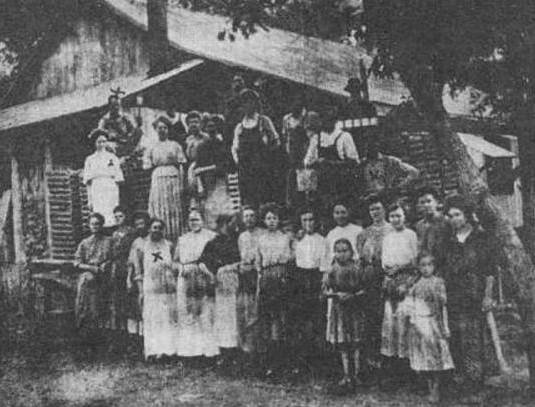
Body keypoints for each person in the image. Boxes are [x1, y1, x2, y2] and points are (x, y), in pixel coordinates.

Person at [443, 195, 498, 401]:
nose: (453, 219)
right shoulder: (448, 240)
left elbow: (490, 270)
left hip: (474, 294)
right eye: (449, 216)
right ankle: (463, 380)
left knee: (474, 339)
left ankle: (477, 383)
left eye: (457, 214)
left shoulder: (480, 237)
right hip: (453, 295)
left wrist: (488, 296)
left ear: (466, 215)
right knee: (456, 337)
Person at [356, 194, 394, 379]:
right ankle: (372, 365)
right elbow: (361, 260)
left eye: (378, 208)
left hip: (387, 277)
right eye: (372, 209)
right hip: (369, 279)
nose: (375, 212)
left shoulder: (392, 229)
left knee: (387, 320)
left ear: (384, 209)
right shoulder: (364, 233)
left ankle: (390, 367)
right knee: (370, 321)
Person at [380, 203, 418, 387]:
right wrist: (389, 276)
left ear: (405, 216)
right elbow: (384, 262)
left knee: (406, 324)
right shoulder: (387, 237)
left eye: (399, 216)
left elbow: (416, 261)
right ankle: (395, 372)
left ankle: (411, 372)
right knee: (391, 324)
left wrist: (402, 274)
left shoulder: (411, 235)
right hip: (391, 281)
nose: (395, 219)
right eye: (392, 216)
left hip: (407, 281)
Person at [408, 253, 454, 404]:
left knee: (437, 356)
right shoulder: (416, 284)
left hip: (435, 323)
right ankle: (430, 387)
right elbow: (412, 305)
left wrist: (445, 326)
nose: (426, 269)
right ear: (418, 267)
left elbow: (443, 305)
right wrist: (414, 322)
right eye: (423, 265)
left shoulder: (439, 282)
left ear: (434, 266)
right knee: (425, 357)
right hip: (422, 323)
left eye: (429, 265)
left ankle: (437, 387)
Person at [174, 210, 219, 359]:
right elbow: (175, 260)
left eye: (197, 219)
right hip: (186, 275)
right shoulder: (183, 239)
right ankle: (190, 351)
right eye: (191, 220)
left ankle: (208, 352)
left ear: (203, 220)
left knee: (205, 312)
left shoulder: (211, 236)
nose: (194, 223)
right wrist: (180, 268)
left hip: (203, 274)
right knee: (187, 312)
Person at [323, 238, 366, 392]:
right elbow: (325, 290)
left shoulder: (357, 268)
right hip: (339, 310)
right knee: (343, 343)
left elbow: (364, 288)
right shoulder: (331, 270)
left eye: (345, 251)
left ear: (351, 252)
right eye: (339, 251)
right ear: (334, 253)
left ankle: (357, 374)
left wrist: (353, 295)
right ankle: (346, 374)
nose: (342, 254)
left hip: (354, 309)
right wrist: (336, 294)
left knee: (355, 342)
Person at [255, 203, 293, 376]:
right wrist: (260, 278)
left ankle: (284, 361)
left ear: (279, 220)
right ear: (264, 220)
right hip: (267, 278)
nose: (271, 221)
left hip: (281, 277)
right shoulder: (261, 239)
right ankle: (270, 362)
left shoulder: (285, 237)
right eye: (268, 218)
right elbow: (258, 261)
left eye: (274, 218)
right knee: (268, 319)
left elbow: (291, 257)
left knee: (282, 319)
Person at [132, 218, 178, 360]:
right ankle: (152, 351)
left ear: (163, 230)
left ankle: (167, 351)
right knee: (152, 318)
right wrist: (141, 291)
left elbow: (174, 265)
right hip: (150, 287)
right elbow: (138, 270)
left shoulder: (169, 245)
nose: (156, 230)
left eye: (159, 228)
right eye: (154, 227)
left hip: (167, 288)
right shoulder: (141, 246)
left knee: (166, 318)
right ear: (149, 229)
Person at [199, 214, 241, 366]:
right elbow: (202, 263)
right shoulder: (213, 243)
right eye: (231, 223)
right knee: (223, 317)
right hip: (221, 283)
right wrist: (211, 276)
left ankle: (236, 351)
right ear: (224, 224)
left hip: (236, 280)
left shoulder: (237, 239)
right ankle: (224, 352)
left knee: (236, 316)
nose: (234, 226)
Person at [232, 89, 283, 208]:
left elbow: (276, 141)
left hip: (263, 168)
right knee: (249, 200)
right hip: (246, 170)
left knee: (265, 199)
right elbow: (235, 147)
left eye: (250, 101)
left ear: (255, 103)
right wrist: (239, 162)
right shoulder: (239, 126)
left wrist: (268, 157)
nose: (247, 105)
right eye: (244, 102)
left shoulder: (264, 121)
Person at [303, 106, 360, 210]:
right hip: (323, 184)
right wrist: (316, 162)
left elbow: (354, 162)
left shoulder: (345, 136)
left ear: (335, 120)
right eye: (324, 119)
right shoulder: (316, 138)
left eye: (330, 119)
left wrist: (331, 163)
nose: (326, 122)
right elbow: (307, 162)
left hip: (341, 183)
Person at [73, 213, 113, 357]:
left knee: (100, 312)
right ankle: (85, 346)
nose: (95, 227)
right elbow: (77, 263)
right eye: (92, 224)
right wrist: (91, 268)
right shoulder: (84, 243)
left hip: (103, 280)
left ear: (102, 225)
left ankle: (101, 346)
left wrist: (105, 265)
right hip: (88, 281)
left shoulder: (109, 241)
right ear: (89, 226)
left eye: (98, 224)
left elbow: (112, 257)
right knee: (86, 312)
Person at [144, 115, 187, 241]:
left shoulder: (175, 145)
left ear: (168, 130)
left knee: (174, 207)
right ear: (156, 130)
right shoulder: (151, 147)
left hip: (173, 177)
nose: (162, 130)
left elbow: (181, 164)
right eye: (159, 128)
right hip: (158, 178)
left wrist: (181, 183)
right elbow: (147, 166)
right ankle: (161, 237)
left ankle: (175, 237)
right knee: (160, 206)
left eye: (165, 128)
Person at [292, 207, 325, 358]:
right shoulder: (297, 240)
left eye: (311, 220)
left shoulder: (322, 240)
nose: (308, 223)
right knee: (301, 318)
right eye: (305, 220)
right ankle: (303, 356)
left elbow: (324, 263)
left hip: (316, 277)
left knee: (318, 317)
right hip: (301, 278)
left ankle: (319, 356)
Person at [193, 114, 234, 230]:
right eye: (208, 126)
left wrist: (208, 168)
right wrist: (201, 186)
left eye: (214, 126)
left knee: (223, 213)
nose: (211, 129)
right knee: (209, 214)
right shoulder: (201, 147)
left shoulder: (223, 145)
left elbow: (228, 165)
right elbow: (197, 169)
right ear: (205, 128)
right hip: (207, 184)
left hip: (221, 182)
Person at [83, 129, 124, 227]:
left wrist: (116, 196)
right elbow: (88, 182)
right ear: (95, 143)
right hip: (97, 189)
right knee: (99, 213)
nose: (102, 144)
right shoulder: (90, 159)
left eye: (104, 141)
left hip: (110, 188)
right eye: (99, 142)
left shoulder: (112, 157)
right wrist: (90, 199)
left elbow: (118, 179)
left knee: (111, 213)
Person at [237, 206, 264, 355]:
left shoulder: (262, 233)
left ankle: (260, 348)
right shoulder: (242, 236)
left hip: (259, 274)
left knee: (258, 311)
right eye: (246, 216)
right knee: (246, 310)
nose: (249, 219)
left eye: (252, 216)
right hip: (246, 277)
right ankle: (248, 348)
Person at [109, 206, 136, 347]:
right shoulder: (113, 234)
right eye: (116, 216)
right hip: (116, 268)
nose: (118, 219)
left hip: (127, 266)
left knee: (127, 301)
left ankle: (130, 337)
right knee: (116, 301)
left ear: (126, 216)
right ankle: (117, 337)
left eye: (121, 216)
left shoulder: (132, 232)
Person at [126, 211, 151, 340]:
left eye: (142, 223)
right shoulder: (136, 242)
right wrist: (129, 280)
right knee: (136, 308)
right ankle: (136, 341)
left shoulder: (153, 240)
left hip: (150, 278)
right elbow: (131, 263)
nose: (140, 226)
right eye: (137, 224)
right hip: (138, 279)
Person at [414, 186, 451, 273]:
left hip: (445, 267)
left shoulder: (446, 221)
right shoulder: (419, 225)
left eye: (429, 201)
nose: (426, 205)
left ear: (437, 202)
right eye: (422, 202)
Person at [321, 202, 363, 272]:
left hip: (355, 270)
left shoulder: (358, 230)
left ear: (348, 213)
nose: (340, 216)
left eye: (343, 212)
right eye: (337, 213)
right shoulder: (331, 234)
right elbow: (328, 256)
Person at [282, 97, 308, 208]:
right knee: (292, 175)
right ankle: (291, 203)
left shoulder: (305, 117)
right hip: (292, 150)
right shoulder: (287, 119)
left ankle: (305, 203)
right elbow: (285, 136)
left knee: (304, 175)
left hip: (303, 149)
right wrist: (288, 150)